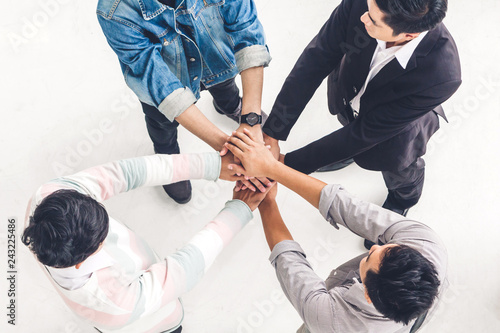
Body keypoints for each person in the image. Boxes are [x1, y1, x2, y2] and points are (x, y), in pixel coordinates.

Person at [261, 0, 461, 237]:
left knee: (401, 169)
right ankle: (347, 155)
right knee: (347, 133)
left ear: (409, 34)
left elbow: (367, 132)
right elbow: (315, 61)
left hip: (397, 134)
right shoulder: (365, 4)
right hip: (349, 93)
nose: (363, 18)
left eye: (373, 20)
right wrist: (272, 132)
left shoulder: (442, 75)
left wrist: (283, 167)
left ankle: (403, 198)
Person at [22, 151, 273, 332]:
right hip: (149, 323)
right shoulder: (114, 303)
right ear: (80, 262)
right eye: (101, 237)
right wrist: (240, 208)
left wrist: (212, 165)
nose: (108, 229)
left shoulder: (49, 196)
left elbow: (129, 173)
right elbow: (186, 267)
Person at [225, 129, 447, 333]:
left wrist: (266, 200)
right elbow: (345, 206)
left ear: (367, 294)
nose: (376, 245)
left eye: (369, 257)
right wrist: (272, 169)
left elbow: (288, 260)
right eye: (389, 246)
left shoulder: (331, 321)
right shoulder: (425, 243)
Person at [97, 0, 272, 203]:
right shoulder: (115, 10)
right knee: (162, 124)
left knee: (227, 93)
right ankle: (169, 157)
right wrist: (231, 148)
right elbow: (157, 82)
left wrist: (250, 120)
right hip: (166, 82)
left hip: (218, 63)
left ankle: (231, 107)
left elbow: (246, 30)